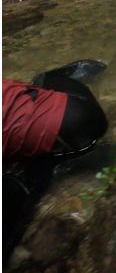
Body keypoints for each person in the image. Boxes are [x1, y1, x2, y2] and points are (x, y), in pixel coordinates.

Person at [3, 67, 108, 259]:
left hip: (75, 130)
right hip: (78, 113)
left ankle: (48, 79)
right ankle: (47, 79)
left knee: (23, 183)